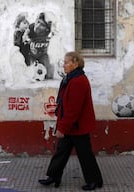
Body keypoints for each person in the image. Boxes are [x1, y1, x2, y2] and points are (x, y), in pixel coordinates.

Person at [38, 51, 103, 191]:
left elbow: (73, 110)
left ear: (76, 63)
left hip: (78, 127)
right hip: (71, 125)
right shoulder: (71, 78)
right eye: (64, 62)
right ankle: (54, 176)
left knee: (85, 155)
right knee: (61, 152)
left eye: (66, 62)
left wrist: (62, 128)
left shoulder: (78, 81)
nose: (64, 65)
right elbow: (64, 104)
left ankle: (94, 181)